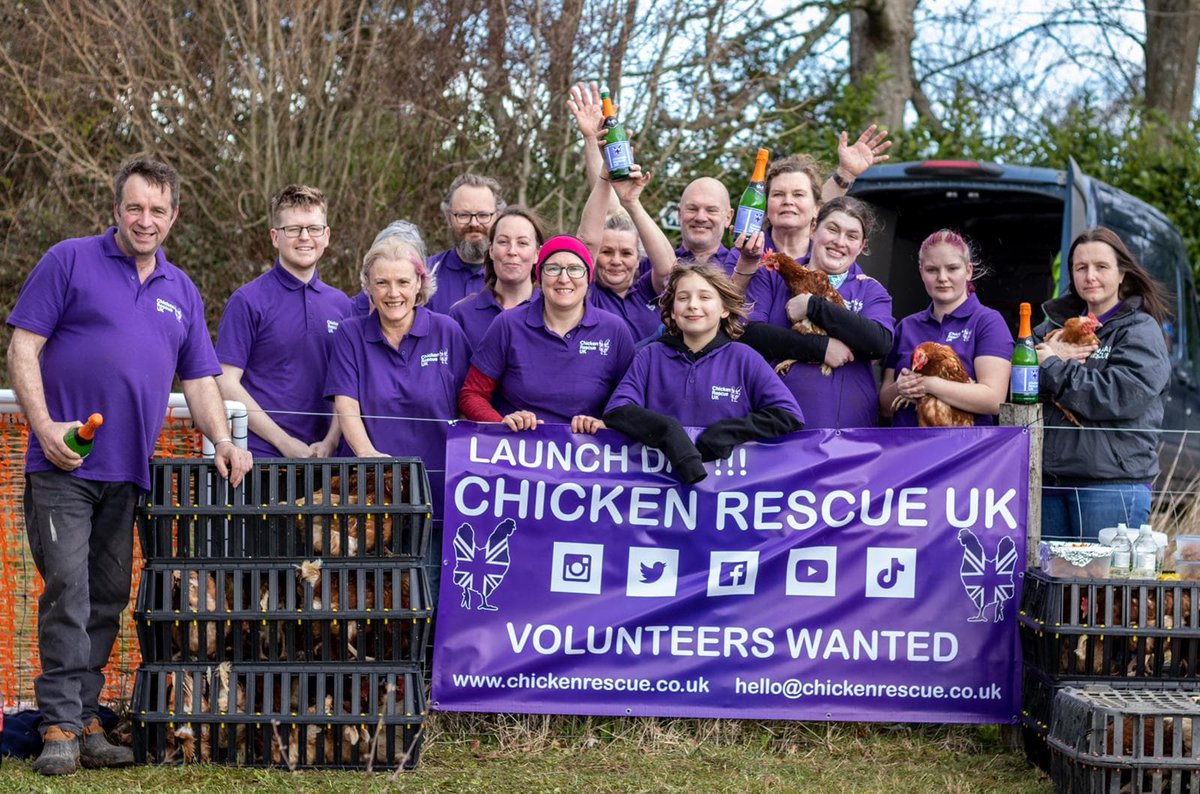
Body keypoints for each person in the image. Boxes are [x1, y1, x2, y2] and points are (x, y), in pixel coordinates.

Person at [7, 157, 252, 776]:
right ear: (116, 208)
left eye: (158, 210)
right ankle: (58, 725)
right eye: (135, 207)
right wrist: (44, 426)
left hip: (129, 472)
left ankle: (88, 721)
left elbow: (199, 380)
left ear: (174, 217)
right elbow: (23, 346)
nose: (146, 220)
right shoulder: (69, 261)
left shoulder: (182, 291)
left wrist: (221, 439)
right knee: (68, 588)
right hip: (64, 467)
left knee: (109, 596)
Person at [603, 263, 803, 483]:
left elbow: (789, 414)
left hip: (727, 493)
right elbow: (618, 409)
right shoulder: (651, 356)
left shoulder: (744, 358)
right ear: (672, 309)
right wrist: (669, 432)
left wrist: (727, 432)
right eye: (683, 298)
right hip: (660, 494)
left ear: (724, 309)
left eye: (705, 297)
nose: (692, 305)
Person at [1034, 227, 1172, 540]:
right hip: (1049, 482)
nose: (1090, 276)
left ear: (1123, 273)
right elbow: (1016, 381)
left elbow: (1120, 394)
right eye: (1081, 268)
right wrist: (1049, 362)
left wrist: (1054, 365)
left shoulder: (1139, 329)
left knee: (1098, 588)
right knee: (1051, 587)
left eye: (1101, 267)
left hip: (1111, 486)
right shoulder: (1051, 326)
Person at [325, 232, 470, 504]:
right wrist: (369, 457)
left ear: (419, 284)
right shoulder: (350, 334)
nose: (393, 293)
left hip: (437, 486)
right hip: (367, 491)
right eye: (382, 283)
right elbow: (346, 405)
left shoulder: (446, 330)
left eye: (403, 282)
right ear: (368, 286)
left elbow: (466, 405)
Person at [216, 185, 352, 457]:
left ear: (326, 236)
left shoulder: (343, 306)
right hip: (260, 458)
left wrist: (330, 442)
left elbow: (348, 388)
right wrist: (283, 441)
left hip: (326, 461)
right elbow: (225, 383)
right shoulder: (247, 301)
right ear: (275, 237)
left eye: (313, 228)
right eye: (293, 229)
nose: (304, 237)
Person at [737, 197, 895, 429]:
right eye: (832, 229)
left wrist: (814, 306)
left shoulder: (870, 289)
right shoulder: (773, 275)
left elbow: (880, 342)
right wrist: (820, 348)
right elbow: (749, 334)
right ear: (813, 229)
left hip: (849, 434)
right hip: (777, 427)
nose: (840, 242)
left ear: (861, 247)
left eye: (852, 236)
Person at [458, 235, 635, 431]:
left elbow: (631, 402)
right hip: (516, 452)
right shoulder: (508, 324)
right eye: (553, 269)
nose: (564, 278)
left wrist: (605, 424)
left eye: (575, 269)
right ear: (540, 277)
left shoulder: (614, 330)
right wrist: (502, 424)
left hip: (588, 455)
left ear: (588, 277)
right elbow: (472, 394)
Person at [879, 230, 1013, 426]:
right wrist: (900, 388)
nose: (942, 277)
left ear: (968, 271)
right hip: (908, 450)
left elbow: (994, 400)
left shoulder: (988, 322)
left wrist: (929, 384)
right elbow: (884, 407)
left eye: (952, 268)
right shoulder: (906, 326)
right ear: (921, 271)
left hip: (965, 450)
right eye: (932, 270)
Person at [447, 206, 547, 350]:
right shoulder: (461, 315)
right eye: (503, 242)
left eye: (522, 243)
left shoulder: (551, 310)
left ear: (537, 254)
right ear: (491, 251)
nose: (512, 251)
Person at [425, 173, 506, 314]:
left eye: (483, 215)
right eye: (463, 215)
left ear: (498, 217)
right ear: (448, 218)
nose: (474, 223)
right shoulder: (424, 273)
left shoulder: (515, 276)